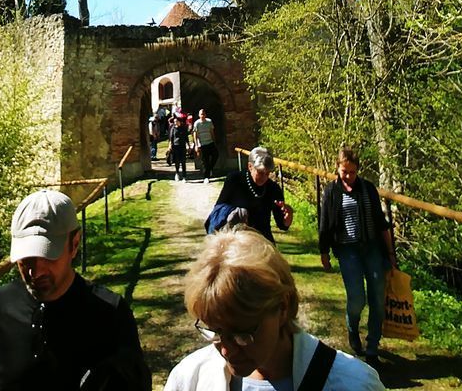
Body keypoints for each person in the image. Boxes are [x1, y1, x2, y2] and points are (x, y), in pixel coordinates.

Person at [164, 226, 384, 390]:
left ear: (283, 306)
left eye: (242, 334)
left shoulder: (353, 384)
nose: (227, 350)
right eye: (216, 331)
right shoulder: (189, 380)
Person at [0, 189, 149, 390]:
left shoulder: (110, 315)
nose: (36, 271)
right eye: (26, 258)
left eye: (48, 255)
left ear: (74, 244)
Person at [318, 148, 396, 364]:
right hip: (347, 249)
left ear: (358, 170)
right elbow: (324, 223)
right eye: (345, 172)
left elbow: (381, 223)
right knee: (357, 298)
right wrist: (324, 251)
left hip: (372, 247)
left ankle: (372, 348)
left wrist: (390, 254)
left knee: (377, 299)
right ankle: (352, 328)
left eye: (352, 172)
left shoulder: (368, 189)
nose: (349, 176)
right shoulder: (331, 192)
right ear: (338, 168)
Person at [213, 146, 293, 242]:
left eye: (267, 173)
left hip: (262, 240)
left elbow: (282, 225)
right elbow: (218, 210)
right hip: (236, 239)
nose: (264, 177)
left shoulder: (273, 188)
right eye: (260, 172)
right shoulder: (234, 180)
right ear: (250, 166)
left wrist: (289, 214)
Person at [193, 109, 218, 182]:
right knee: (205, 161)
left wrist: (214, 141)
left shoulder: (209, 122)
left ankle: (210, 169)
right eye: (201, 114)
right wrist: (196, 145)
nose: (202, 116)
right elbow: (195, 134)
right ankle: (206, 177)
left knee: (216, 155)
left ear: (205, 115)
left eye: (203, 114)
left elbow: (212, 132)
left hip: (210, 142)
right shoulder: (197, 123)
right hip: (202, 144)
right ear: (199, 115)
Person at [169, 109, 191, 181]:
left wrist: (188, 145)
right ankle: (177, 173)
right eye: (174, 122)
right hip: (175, 146)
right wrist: (170, 146)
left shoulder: (183, 128)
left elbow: (186, 138)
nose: (175, 123)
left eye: (176, 121)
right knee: (177, 161)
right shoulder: (172, 129)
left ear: (179, 121)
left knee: (183, 161)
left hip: (182, 146)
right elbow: (171, 138)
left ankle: (184, 176)